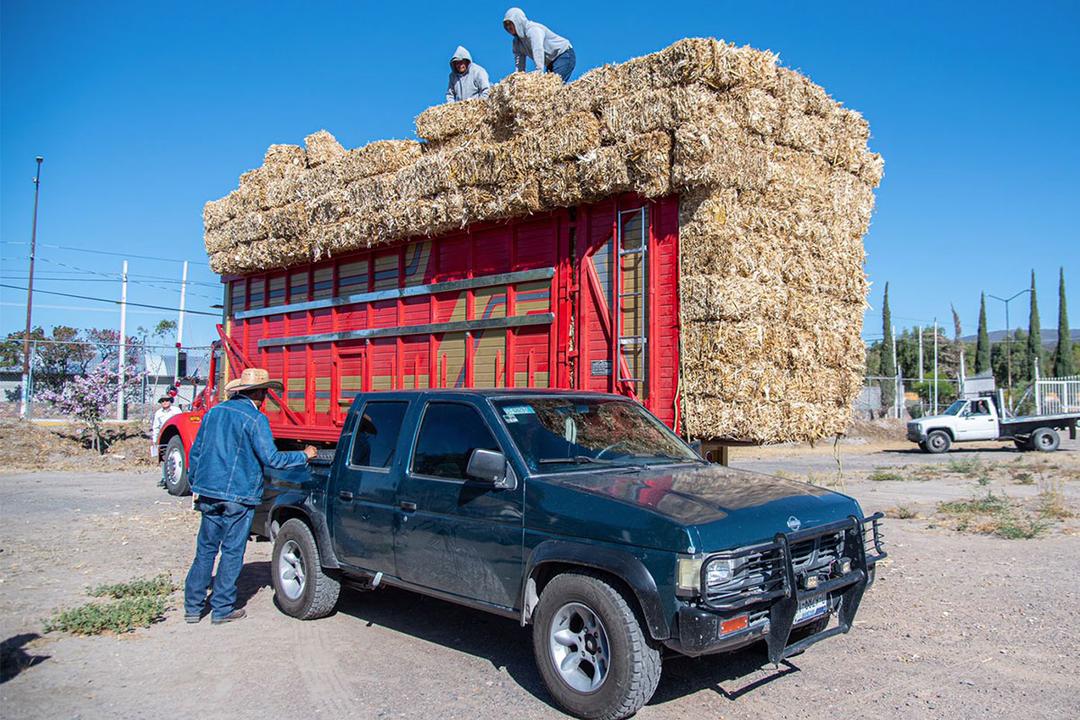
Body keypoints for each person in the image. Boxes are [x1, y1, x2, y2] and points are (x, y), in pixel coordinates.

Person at [183, 368, 317, 624]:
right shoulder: (256, 420)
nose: (266, 396)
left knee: (205, 550)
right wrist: (304, 455)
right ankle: (221, 609)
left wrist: (196, 484)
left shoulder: (213, 413)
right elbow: (272, 459)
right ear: (259, 393)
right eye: (265, 391)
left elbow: (197, 452)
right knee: (232, 551)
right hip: (239, 495)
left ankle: (192, 607)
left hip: (209, 492)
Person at [502, 8, 575, 82]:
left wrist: (539, 72)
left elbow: (538, 49)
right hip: (550, 62)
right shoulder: (517, 42)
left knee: (553, 85)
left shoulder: (533, 30)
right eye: (506, 25)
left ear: (518, 21)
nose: (508, 27)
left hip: (563, 55)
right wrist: (519, 80)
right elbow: (519, 63)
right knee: (546, 89)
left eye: (510, 23)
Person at [150, 394, 182, 460]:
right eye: (162, 401)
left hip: (176, 433)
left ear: (170, 401)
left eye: (167, 400)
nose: (165, 402)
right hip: (164, 434)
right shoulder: (158, 413)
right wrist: (154, 440)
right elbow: (156, 427)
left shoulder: (176, 410)